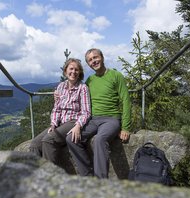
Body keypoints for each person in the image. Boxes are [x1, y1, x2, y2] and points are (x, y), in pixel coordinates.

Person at [65, 48, 131, 179]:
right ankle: (87, 176)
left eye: (95, 57)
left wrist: (126, 128)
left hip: (111, 119)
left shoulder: (116, 76)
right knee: (71, 138)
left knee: (100, 140)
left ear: (102, 57)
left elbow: (126, 101)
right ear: (88, 64)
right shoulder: (90, 81)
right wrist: (58, 96)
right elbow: (76, 93)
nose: (94, 61)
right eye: (90, 60)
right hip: (93, 120)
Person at [29, 58, 91, 166]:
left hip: (73, 121)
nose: (74, 72)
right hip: (60, 123)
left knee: (48, 140)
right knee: (34, 144)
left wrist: (78, 126)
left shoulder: (83, 88)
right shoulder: (61, 86)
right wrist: (53, 124)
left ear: (80, 72)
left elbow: (86, 112)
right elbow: (56, 109)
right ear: (65, 70)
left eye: (77, 70)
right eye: (71, 69)